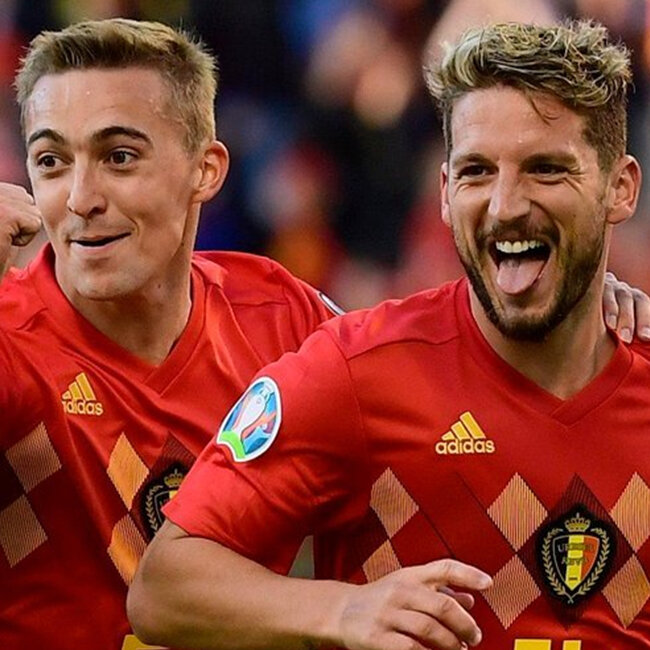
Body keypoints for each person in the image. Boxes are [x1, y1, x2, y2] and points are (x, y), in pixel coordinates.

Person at [129, 20, 650, 650]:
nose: (505, 205)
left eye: (546, 170)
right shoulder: (355, 370)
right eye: (477, 171)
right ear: (444, 191)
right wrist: (341, 610)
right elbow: (163, 586)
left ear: (619, 188)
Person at [0, 18, 342, 650]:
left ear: (205, 170)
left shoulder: (282, 317)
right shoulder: (9, 342)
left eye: (119, 157)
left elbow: (436, 399)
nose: (79, 199)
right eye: (52, 162)